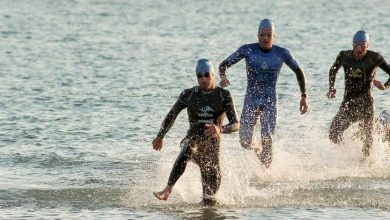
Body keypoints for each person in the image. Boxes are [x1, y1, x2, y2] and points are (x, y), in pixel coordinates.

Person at [218, 19, 308, 168]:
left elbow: (298, 71)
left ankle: (266, 173)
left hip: (269, 101)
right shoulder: (247, 50)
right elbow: (224, 64)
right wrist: (223, 77)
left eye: (269, 35)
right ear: (257, 35)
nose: (265, 38)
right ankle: (257, 148)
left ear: (274, 36)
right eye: (262, 35)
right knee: (245, 142)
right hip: (251, 99)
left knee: (268, 139)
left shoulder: (282, 53)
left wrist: (303, 96)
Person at [152, 58, 240, 206]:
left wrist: (220, 128)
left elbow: (236, 124)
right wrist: (160, 136)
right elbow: (171, 115)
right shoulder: (189, 94)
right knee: (188, 148)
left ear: (213, 75)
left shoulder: (224, 95)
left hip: (212, 148)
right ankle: (167, 189)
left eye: (207, 75)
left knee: (209, 202)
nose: (203, 79)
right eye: (199, 76)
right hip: (193, 138)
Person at [327, 30, 390, 158]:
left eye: (362, 46)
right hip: (348, 103)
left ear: (367, 46)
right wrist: (331, 87)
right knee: (333, 133)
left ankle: (381, 127)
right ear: (352, 45)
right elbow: (333, 70)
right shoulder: (344, 56)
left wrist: (385, 86)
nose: (358, 49)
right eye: (355, 46)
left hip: (366, 103)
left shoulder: (375, 58)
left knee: (367, 144)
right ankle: (348, 156)